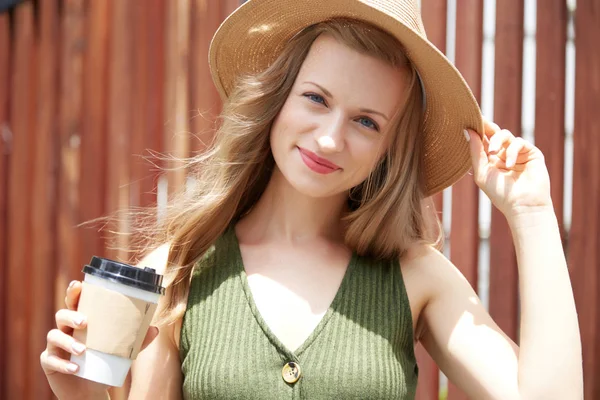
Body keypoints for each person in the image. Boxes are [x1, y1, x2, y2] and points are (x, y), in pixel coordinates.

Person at [40, 0, 583, 399]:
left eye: (366, 122)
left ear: (390, 149)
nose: (329, 139)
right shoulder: (178, 272)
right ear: (277, 98)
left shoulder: (416, 276)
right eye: (316, 99)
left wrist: (532, 215)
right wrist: (81, 396)